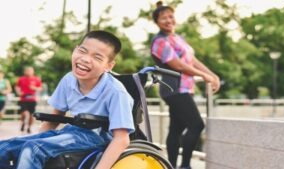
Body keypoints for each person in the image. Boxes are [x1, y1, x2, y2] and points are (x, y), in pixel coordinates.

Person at [0, 30, 135, 169]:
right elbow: (55, 118)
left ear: (108, 66)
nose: (85, 59)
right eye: (82, 51)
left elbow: (122, 139)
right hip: (70, 132)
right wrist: (39, 139)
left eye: (97, 57)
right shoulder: (69, 79)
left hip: (97, 136)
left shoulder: (116, 92)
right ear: (75, 49)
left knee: (32, 149)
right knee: (5, 147)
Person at [150, 2, 221, 169]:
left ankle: (171, 165)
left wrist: (212, 74)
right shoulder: (159, 41)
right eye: (163, 18)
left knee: (176, 128)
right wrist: (204, 76)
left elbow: (192, 60)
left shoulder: (177, 38)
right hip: (174, 89)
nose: (168, 20)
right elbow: (179, 65)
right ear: (157, 22)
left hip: (184, 88)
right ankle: (185, 165)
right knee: (197, 125)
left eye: (170, 16)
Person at [15, 66, 43, 133]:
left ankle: (29, 127)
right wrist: (18, 92)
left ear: (33, 71)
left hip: (32, 99)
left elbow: (40, 88)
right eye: (27, 70)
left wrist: (35, 88)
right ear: (25, 72)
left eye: (30, 70)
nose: (29, 72)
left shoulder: (36, 79)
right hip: (23, 99)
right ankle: (23, 123)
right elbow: (17, 86)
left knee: (31, 114)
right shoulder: (21, 79)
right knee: (24, 113)